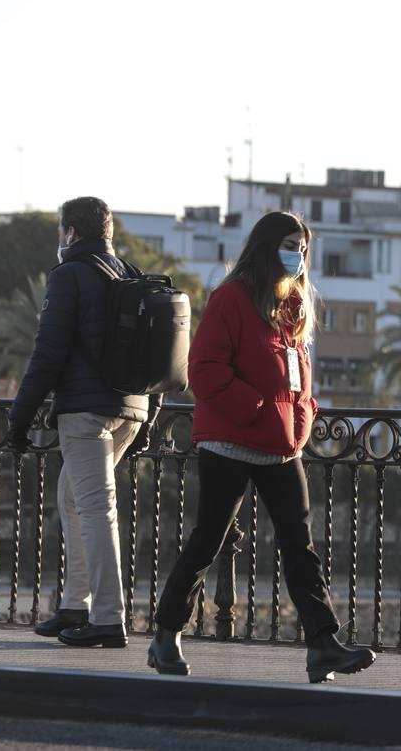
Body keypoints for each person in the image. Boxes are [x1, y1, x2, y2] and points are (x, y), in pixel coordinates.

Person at [149, 211, 375, 683]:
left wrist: (305, 413)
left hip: (281, 446)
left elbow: (296, 376)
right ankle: (166, 636)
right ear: (267, 246)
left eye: (304, 246)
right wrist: (255, 408)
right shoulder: (232, 298)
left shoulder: (291, 303)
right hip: (231, 442)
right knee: (207, 541)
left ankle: (322, 645)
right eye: (291, 243)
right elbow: (205, 369)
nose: (299, 253)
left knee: (300, 545)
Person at [7, 197, 160, 648]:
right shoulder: (130, 274)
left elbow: (47, 354)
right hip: (131, 410)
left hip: (86, 413)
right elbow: (158, 354)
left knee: (94, 509)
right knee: (71, 497)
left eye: (61, 231)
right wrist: (149, 416)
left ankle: (109, 619)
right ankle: (76, 605)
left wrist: (19, 420)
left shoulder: (69, 275)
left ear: (71, 233)